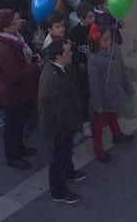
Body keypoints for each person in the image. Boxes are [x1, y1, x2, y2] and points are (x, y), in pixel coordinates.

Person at [38, 39, 87, 205]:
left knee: (66, 154)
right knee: (58, 159)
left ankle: (69, 172)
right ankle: (58, 191)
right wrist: (75, 127)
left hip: (65, 126)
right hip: (59, 130)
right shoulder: (53, 81)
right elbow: (62, 112)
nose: (71, 53)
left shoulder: (62, 68)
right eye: (68, 52)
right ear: (59, 56)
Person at [0, 8, 41, 171]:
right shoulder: (4, 49)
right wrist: (35, 66)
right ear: (5, 27)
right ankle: (13, 156)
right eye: (15, 21)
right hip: (13, 93)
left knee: (19, 123)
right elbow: (16, 74)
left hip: (21, 91)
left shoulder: (15, 40)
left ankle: (20, 148)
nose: (19, 23)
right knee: (13, 126)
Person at [87, 25, 134, 163]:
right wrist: (98, 104)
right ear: (97, 42)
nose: (109, 41)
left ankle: (117, 134)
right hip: (101, 97)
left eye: (109, 38)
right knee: (98, 125)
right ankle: (98, 149)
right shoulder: (94, 60)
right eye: (105, 40)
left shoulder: (116, 49)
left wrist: (129, 88)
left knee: (113, 115)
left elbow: (123, 70)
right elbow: (94, 84)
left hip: (114, 92)